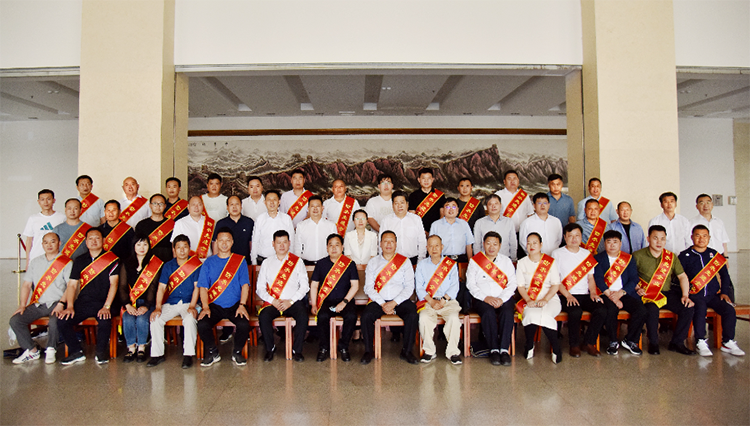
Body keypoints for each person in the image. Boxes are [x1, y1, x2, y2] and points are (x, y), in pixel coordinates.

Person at [679, 225, 744, 357]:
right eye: (697, 235)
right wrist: (685, 294)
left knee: (729, 309)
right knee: (700, 308)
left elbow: (725, 276)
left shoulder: (714, 255)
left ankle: (727, 341)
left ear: (709, 238)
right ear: (692, 237)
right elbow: (679, 277)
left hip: (713, 295)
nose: (701, 239)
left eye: (704, 236)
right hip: (695, 294)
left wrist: (724, 292)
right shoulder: (684, 256)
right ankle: (700, 341)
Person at [58, 228, 119, 365]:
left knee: (105, 320)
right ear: (86, 242)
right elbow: (72, 285)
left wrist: (107, 306)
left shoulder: (112, 259)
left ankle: (101, 352)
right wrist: (70, 306)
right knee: (63, 320)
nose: (94, 241)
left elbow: (114, 284)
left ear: (103, 240)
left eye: (97, 238)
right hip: (84, 303)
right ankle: (76, 352)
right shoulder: (79, 260)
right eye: (90, 238)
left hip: (105, 302)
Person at [9, 232, 71, 364]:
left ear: (59, 243)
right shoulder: (35, 262)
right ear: (42, 244)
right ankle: (32, 350)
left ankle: (51, 349)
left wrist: (61, 303)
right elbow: (26, 285)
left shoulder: (66, 262)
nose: (49, 245)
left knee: (54, 321)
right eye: (46, 242)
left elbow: (70, 287)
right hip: (39, 303)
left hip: (57, 302)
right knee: (16, 320)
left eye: (53, 241)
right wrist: (22, 305)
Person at [633, 225, 695, 355]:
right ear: (648, 239)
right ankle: (653, 343)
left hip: (667, 293)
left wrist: (685, 295)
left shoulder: (671, 257)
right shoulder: (637, 255)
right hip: (647, 294)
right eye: (655, 238)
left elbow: (682, 277)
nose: (659, 242)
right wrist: (637, 288)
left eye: (662, 238)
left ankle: (677, 343)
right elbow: (629, 277)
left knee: (687, 308)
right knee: (652, 310)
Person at [361, 231, 419, 365]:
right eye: (386, 241)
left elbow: (409, 287)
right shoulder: (373, 262)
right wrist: (383, 304)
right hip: (379, 301)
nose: (388, 244)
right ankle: (368, 351)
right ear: (380, 244)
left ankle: (407, 351)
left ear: (396, 244)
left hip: (400, 300)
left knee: (412, 315)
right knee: (366, 316)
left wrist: (394, 303)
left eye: (392, 241)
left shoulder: (404, 262)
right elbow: (368, 288)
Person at [196, 228, 251, 366]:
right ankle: (213, 352)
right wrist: (205, 307)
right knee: (202, 323)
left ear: (232, 242)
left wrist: (242, 305)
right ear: (216, 243)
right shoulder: (208, 262)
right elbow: (203, 287)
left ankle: (237, 352)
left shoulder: (240, 261)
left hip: (235, 305)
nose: (224, 243)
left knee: (244, 323)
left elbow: (245, 286)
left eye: (227, 240)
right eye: (221, 240)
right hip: (214, 306)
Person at [552, 223, 606, 358]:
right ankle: (574, 345)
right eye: (570, 236)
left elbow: (590, 278)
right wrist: (568, 295)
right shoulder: (557, 254)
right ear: (565, 237)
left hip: (585, 294)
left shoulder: (586, 254)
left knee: (601, 309)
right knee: (575, 311)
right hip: (565, 294)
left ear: (581, 237)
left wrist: (593, 293)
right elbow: (555, 280)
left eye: (577, 235)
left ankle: (589, 342)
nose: (574, 239)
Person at [148, 234, 202, 368]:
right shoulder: (168, 266)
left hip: (189, 303)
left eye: (185, 247)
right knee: (155, 319)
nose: (182, 250)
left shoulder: (195, 265)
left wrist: (192, 306)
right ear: (174, 249)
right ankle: (157, 355)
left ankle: (188, 355)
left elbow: (197, 288)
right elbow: (161, 288)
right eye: (179, 247)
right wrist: (158, 307)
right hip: (171, 303)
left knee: (189, 319)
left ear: (189, 248)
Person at [256, 230, 310, 362]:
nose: (282, 245)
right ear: (273, 244)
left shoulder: (297, 262)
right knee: (264, 316)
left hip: (292, 302)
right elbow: (260, 288)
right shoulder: (266, 263)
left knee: (303, 316)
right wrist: (272, 300)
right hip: (273, 302)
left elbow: (305, 287)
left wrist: (290, 301)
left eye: (284, 242)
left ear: (289, 243)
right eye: (278, 242)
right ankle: (270, 349)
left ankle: (297, 350)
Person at [466, 231, 518, 366]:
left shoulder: (506, 261)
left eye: (495, 244)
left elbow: (512, 283)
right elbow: (471, 284)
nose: (491, 247)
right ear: (483, 244)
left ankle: (504, 349)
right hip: (482, 299)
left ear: (500, 245)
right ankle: (494, 349)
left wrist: (502, 299)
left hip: (503, 298)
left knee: (507, 312)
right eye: (488, 243)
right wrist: (485, 298)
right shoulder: (475, 261)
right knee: (488, 312)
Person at [593, 230, 647, 356]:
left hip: (624, 293)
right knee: (611, 310)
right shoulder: (598, 259)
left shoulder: (628, 259)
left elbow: (634, 279)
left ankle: (630, 340)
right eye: (609, 242)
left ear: (620, 243)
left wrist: (620, 293)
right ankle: (613, 341)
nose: (612, 245)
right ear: (604, 243)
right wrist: (613, 297)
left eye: (615, 242)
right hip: (606, 294)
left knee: (641, 310)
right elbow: (599, 280)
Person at [310, 233, 359, 362]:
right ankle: (324, 347)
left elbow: (355, 286)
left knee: (351, 316)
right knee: (322, 316)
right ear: (326, 248)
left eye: (337, 245)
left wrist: (344, 302)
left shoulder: (349, 264)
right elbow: (314, 285)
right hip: (326, 300)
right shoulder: (321, 264)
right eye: (330, 245)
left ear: (342, 247)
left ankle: (343, 347)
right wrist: (314, 304)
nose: (333, 248)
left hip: (345, 300)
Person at [515, 233, 562, 363]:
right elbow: (520, 286)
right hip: (529, 298)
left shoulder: (550, 262)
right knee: (530, 314)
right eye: (528, 243)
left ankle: (556, 347)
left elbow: (555, 285)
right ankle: (529, 344)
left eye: (535, 243)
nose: (531, 246)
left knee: (545, 314)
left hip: (550, 298)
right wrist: (528, 300)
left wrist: (545, 300)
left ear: (541, 245)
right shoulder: (522, 263)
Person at [415, 235, 462, 365]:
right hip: (428, 302)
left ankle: (453, 352)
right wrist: (431, 301)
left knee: (453, 318)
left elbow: (454, 286)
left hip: (447, 302)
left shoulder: (450, 265)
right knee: (424, 318)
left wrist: (443, 300)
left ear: (442, 247)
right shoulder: (421, 265)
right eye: (431, 246)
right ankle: (429, 351)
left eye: (437, 245)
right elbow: (419, 288)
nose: (434, 248)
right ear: (427, 248)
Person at [119, 235, 162, 363]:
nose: (142, 248)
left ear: (149, 246)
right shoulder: (126, 263)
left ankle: (141, 348)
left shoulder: (155, 263)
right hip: (131, 303)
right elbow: (122, 286)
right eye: (138, 244)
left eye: (145, 244)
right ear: (133, 246)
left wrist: (146, 306)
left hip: (148, 302)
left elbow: (153, 287)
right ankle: (131, 348)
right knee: (128, 318)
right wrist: (127, 305)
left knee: (142, 318)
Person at [379, 190, 427, 265]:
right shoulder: (386, 221)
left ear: (407, 204)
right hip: (392, 261)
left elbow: (422, 242)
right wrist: (383, 262)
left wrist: (420, 261)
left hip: (413, 261)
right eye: (396, 203)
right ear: (392, 205)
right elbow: (381, 242)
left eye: (402, 202)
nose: (399, 206)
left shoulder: (416, 219)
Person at [22, 189, 65, 269]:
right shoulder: (33, 218)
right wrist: (28, 261)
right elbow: (29, 241)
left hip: (56, 259)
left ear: (54, 200)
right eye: (42, 199)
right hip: (36, 257)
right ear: (38, 202)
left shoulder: (62, 218)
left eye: (48, 199)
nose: (45, 202)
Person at [250, 190, 295, 265]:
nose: (271, 202)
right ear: (265, 202)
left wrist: (291, 259)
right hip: (263, 260)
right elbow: (255, 241)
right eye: (269, 200)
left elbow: (292, 240)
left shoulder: (286, 219)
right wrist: (254, 261)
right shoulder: (260, 219)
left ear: (279, 202)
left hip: (283, 260)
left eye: (274, 199)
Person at [294, 195, 337, 265]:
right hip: (306, 263)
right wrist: (298, 264)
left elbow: (335, 246)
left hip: (326, 264)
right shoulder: (301, 226)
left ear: (322, 208)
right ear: (308, 208)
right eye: (312, 206)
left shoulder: (331, 226)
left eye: (318, 206)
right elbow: (297, 247)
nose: (315, 209)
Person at [473, 194, 517, 261]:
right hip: (486, 261)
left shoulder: (509, 222)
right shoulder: (479, 223)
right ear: (486, 207)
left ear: (500, 205)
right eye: (490, 204)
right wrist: (479, 260)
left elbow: (513, 243)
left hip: (505, 260)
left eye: (496, 203)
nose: (493, 206)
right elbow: (477, 245)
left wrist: (513, 259)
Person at [428, 197, 474, 262]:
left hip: (461, 260)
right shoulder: (436, 225)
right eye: (447, 207)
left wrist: (470, 263)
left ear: (457, 210)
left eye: (454, 207)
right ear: (443, 210)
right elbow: (431, 245)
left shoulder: (464, 224)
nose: (451, 209)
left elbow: (469, 245)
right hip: (442, 261)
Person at [214, 195, 254, 263]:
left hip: (245, 262)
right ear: (227, 207)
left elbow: (252, 243)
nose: (234, 207)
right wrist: (216, 261)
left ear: (241, 206)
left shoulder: (249, 222)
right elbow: (215, 243)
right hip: (225, 262)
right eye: (231, 204)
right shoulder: (221, 223)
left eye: (237, 204)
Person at [135, 194, 174, 262]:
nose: (158, 206)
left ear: (165, 206)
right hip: (147, 262)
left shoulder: (172, 224)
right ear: (150, 205)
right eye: (155, 203)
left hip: (167, 262)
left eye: (161, 204)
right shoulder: (141, 225)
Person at [494, 169, 534, 236]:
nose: (512, 181)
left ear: (518, 181)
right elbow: (493, 215)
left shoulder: (524, 195)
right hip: (505, 232)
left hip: (523, 232)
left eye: (514, 179)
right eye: (509, 179)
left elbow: (530, 214)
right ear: (504, 181)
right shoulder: (498, 195)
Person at [408, 167, 445, 233]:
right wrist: (421, 231)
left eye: (428, 178)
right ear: (419, 180)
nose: (426, 181)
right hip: (419, 231)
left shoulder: (440, 196)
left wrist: (436, 229)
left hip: (436, 231)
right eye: (423, 178)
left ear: (432, 179)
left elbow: (442, 215)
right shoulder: (413, 196)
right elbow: (412, 216)